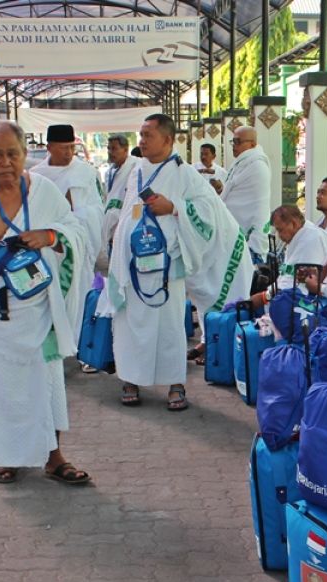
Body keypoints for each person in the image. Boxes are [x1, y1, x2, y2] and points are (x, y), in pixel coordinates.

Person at [0, 121, 90, 485]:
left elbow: (76, 231)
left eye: (12, 153)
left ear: (26, 155)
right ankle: (4, 455)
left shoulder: (44, 191)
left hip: (37, 306)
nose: (5, 162)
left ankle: (54, 457)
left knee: (47, 382)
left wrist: (50, 235)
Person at [108, 114, 250, 411]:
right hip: (134, 263)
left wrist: (174, 207)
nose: (142, 141)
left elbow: (208, 211)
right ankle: (131, 379)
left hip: (166, 267)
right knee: (130, 324)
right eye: (141, 134)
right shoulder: (135, 172)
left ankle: (176, 384)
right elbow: (127, 213)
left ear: (168, 140)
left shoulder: (185, 173)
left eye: (148, 135)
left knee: (170, 326)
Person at [31, 123, 105, 301]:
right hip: (46, 248)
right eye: (64, 148)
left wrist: (76, 210)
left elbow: (99, 209)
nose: (69, 152)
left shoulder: (86, 172)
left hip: (77, 245)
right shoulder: (36, 176)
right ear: (49, 147)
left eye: (72, 147)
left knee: (77, 300)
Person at [216, 126, 271, 261]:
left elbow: (245, 201)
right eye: (233, 141)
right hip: (233, 235)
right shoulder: (241, 163)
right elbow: (234, 192)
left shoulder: (257, 165)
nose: (234, 145)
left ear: (252, 144)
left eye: (238, 142)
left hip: (250, 238)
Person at [270, 204, 327, 277]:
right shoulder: (300, 235)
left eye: (280, 230)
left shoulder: (312, 238)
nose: (279, 235)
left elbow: (307, 279)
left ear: (293, 224)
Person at [101, 134, 137, 248]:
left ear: (126, 150)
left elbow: (138, 200)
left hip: (129, 223)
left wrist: (133, 223)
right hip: (111, 224)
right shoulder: (110, 172)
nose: (110, 152)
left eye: (114, 149)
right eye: (109, 148)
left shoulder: (136, 167)